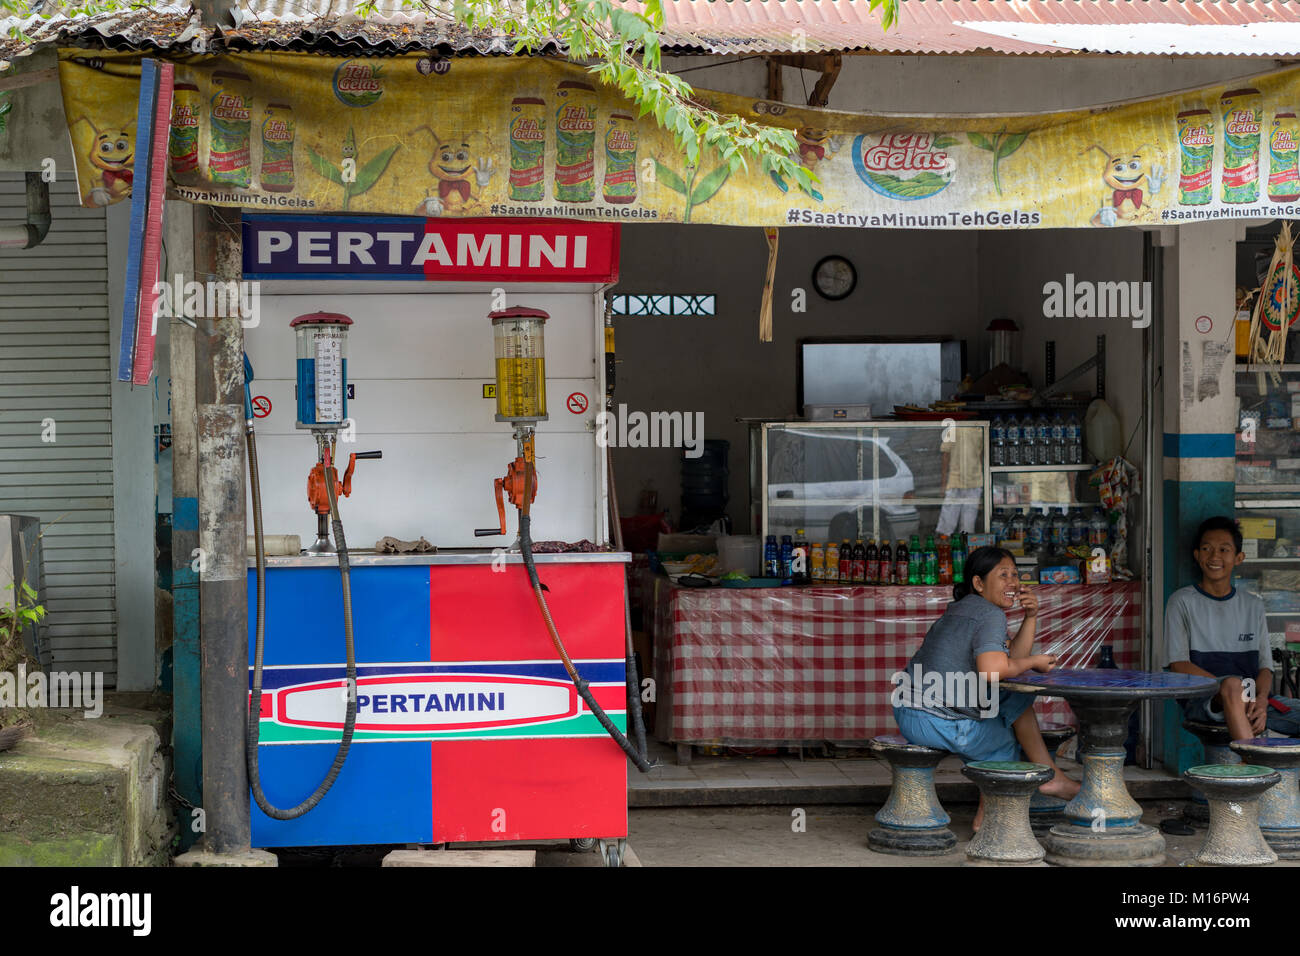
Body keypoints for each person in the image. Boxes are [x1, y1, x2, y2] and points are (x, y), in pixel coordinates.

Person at [893, 546, 1081, 830]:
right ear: (978, 583)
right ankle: (986, 821)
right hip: (934, 719)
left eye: (1015, 574)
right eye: (1003, 575)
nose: (1013, 582)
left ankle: (1051, 776)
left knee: (1013, 700)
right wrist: (1034, 662)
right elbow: (994, 671)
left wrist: (1030, 616)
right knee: (1004, 741)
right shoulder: (990, 615)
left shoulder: (965, 607)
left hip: (910, 713)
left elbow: (1010, 660)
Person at [1164, 515, 1300, 739]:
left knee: (1242, 690)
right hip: (1204, 700)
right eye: (1206, 549)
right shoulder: (1181, 602)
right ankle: (1250, 760)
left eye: (1224, 550)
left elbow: (1265, 668)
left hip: (1253, 698)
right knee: (1233, 686)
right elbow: (1179, 665)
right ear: (1197, 555)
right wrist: (1235, 693)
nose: (1214, 556)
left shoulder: (1253, 604)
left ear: (1239, 558)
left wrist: (1261, 701)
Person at [936, 425, 983, 536]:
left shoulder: (978, 430)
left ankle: (946, 541)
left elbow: (945, 455)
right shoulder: (978, 429)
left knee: (950, 522)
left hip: (968, 481)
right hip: (964, 481)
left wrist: (943, 483)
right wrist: (944, 482)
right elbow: (946, 455)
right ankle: (952, 542)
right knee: (964, 524)